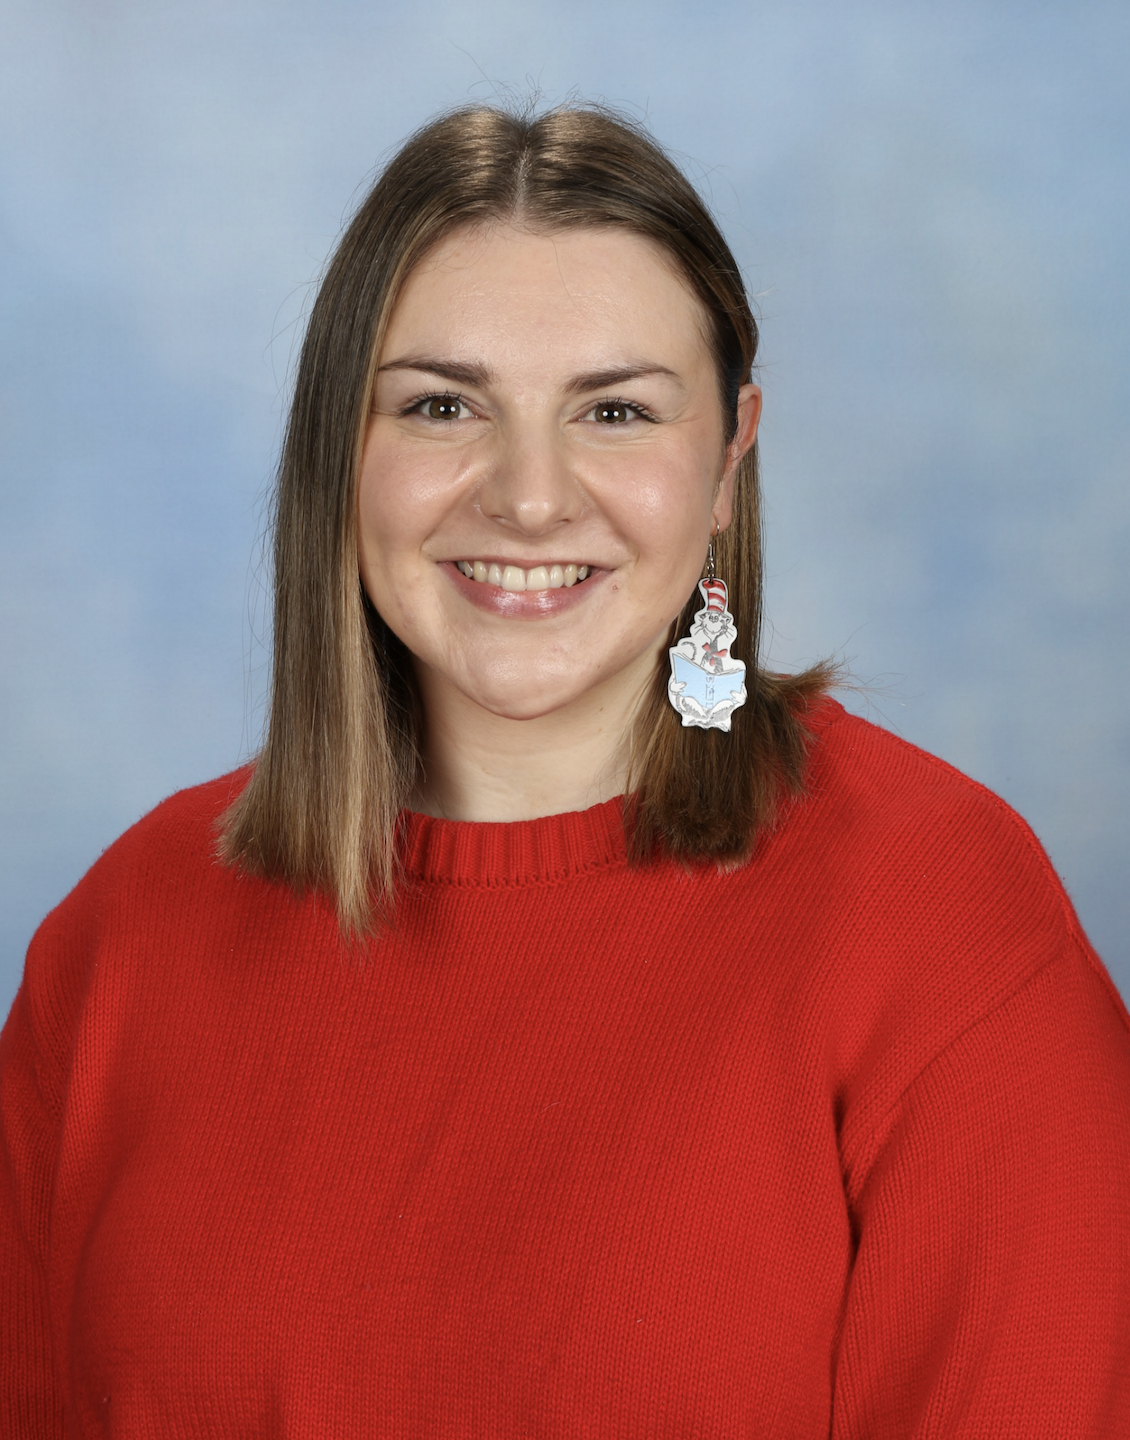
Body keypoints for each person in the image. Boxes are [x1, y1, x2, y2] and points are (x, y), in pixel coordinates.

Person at [2, 103, 1129, 1438]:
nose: (529, 498)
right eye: (437, 406)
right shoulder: (121, 942)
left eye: (612, 410)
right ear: (335, 454)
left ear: (726, 457)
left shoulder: (941, 926)